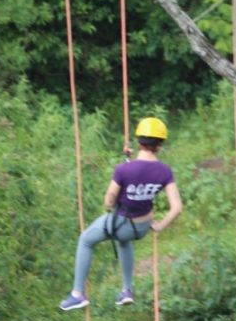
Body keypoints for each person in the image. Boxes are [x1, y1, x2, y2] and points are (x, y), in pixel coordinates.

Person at [60, 117, 183, 310]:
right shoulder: (164, 171)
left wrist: (118, 193)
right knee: (124, 241)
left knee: (86, 240)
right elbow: (177, 207)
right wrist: (159, 226)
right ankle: (126, 290)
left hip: (122, 224)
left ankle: (77, 294)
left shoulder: (124, 170)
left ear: (139, 141)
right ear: (160, 144)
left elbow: (109, 201)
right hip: (142, 227)